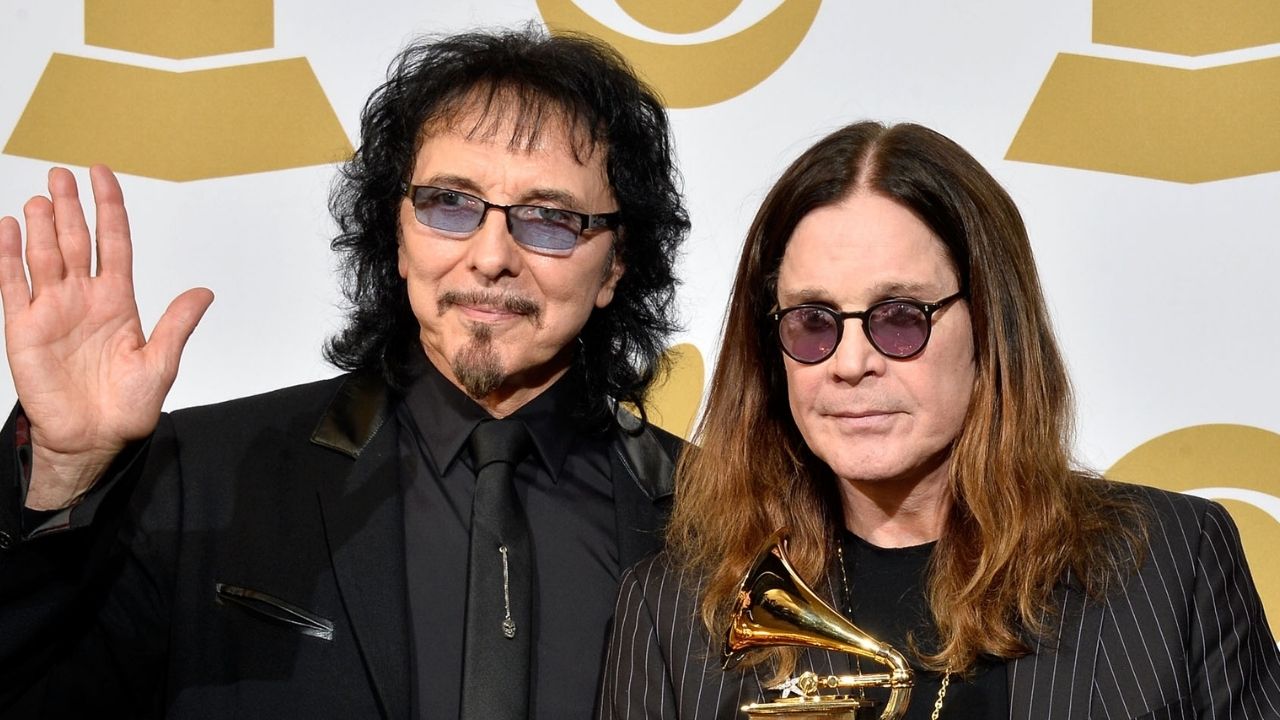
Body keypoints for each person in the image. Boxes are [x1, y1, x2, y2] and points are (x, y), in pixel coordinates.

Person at [0, 26, 690, 719]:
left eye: (549, 218)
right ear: (396, 233)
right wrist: (62, 475)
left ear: (617, 265)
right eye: (449, 203)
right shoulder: (204, 475)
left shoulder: (714, 519)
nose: (490, 257)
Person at [600, 121, 1280, 719]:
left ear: (990, 325)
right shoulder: (674, 612)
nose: (851, 362)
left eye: (901, 317)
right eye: (813, 323)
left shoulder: (1171, 564)